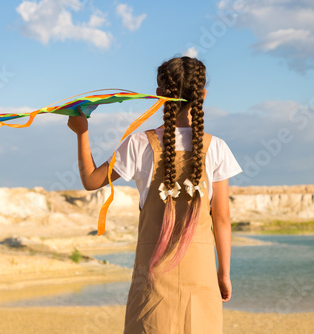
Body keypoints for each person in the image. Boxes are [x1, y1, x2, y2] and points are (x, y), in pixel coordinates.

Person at [67, 56, 242, 333]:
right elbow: (221, 217)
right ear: (203, 95)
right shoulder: (217, 148)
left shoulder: (138, 143)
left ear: (159, 95)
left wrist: (81, 132)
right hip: (202, 276)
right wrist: (224, 273)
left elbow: (90, 180)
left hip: (152, 278)